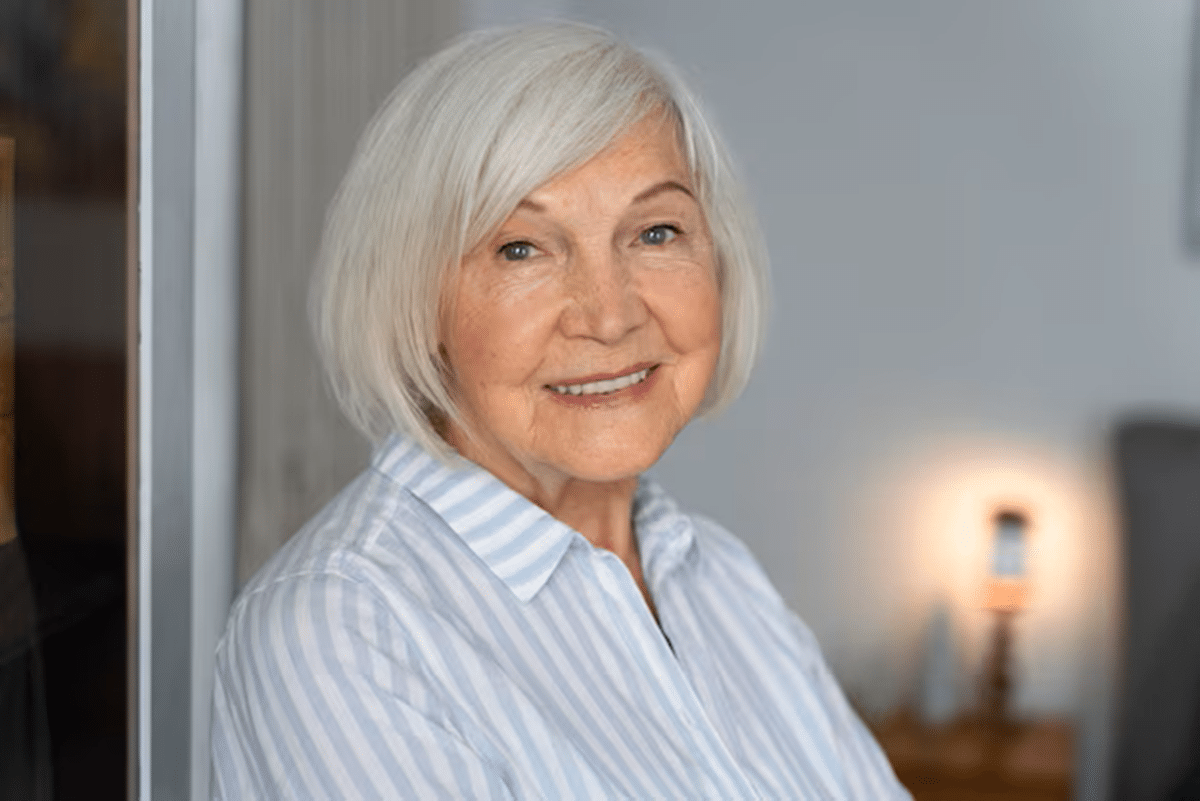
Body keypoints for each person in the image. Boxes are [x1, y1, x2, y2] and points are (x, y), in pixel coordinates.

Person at [211, 22, 910, 800]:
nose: (609, 317)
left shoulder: (719, 577)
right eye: (523, 248)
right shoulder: (340, 630)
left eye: (655, 232)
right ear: (415, 296)